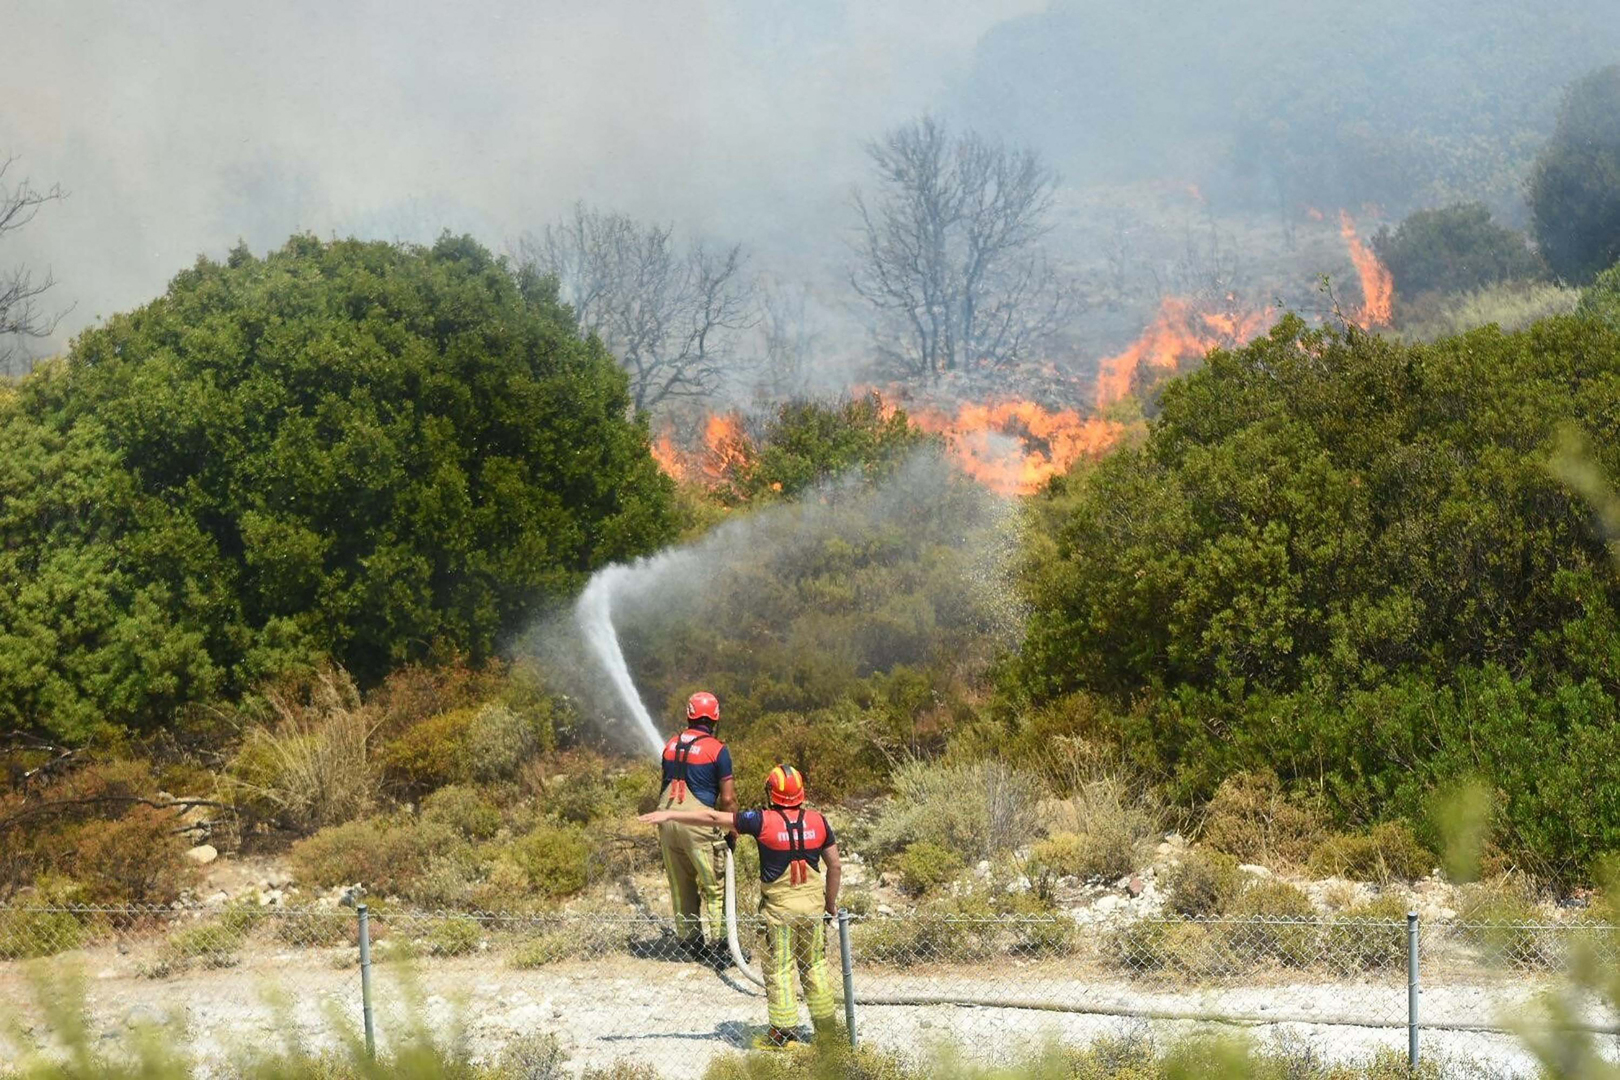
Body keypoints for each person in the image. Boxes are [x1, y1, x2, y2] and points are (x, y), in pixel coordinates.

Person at [641, 763, 841, 1049]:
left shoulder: (761, 820)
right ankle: (827, 1033)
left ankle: (783, 1035)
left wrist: (671, 813)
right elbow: (834, 865)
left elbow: (713, 816)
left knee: (780, 969)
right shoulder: (819, 821)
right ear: (801, 793)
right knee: (815, 966)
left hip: (780, 914)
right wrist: (830, 904)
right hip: (813, 909)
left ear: (771, 793)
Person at [657, 690, 736, 965]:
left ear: (689, 715)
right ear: (714, 718)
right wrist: (731, 831)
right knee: (715, 886)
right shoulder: (718, 749)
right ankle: (721, 949)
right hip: (699, 824)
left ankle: (691, 945)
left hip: (666, 821)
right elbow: (727, 798)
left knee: (681, 886)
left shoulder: (669, 745)